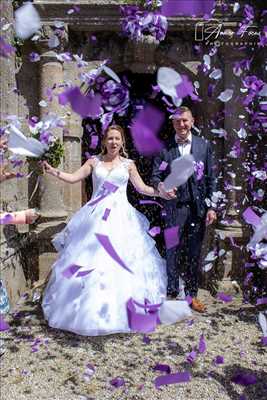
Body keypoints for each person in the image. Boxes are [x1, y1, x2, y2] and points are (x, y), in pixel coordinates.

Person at [41, 125, 191, 336]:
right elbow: (74, 178)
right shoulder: (94, 162)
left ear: (122, 143)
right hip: (95, 219)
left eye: (117, 139)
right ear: (104, 141)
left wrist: (161, 192)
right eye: (110, 138)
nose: (113, 142)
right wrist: (54, 171)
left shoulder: (128, 165)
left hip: (122, 219)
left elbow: (142, 188)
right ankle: (88, 311)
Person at [151, 107, 217, 312]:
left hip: (197, 209)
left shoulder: (204, 146)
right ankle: (171, 292)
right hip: (173, 209)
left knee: (194, 252)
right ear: (173, 124)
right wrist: (161, 187)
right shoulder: (164, 149)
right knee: (172, 250)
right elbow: (155, 176)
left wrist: (211, 207)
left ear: (192, 121)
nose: (182, 125)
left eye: (185, 121)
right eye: (178, 121)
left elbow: (211, 178)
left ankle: (191, 295)